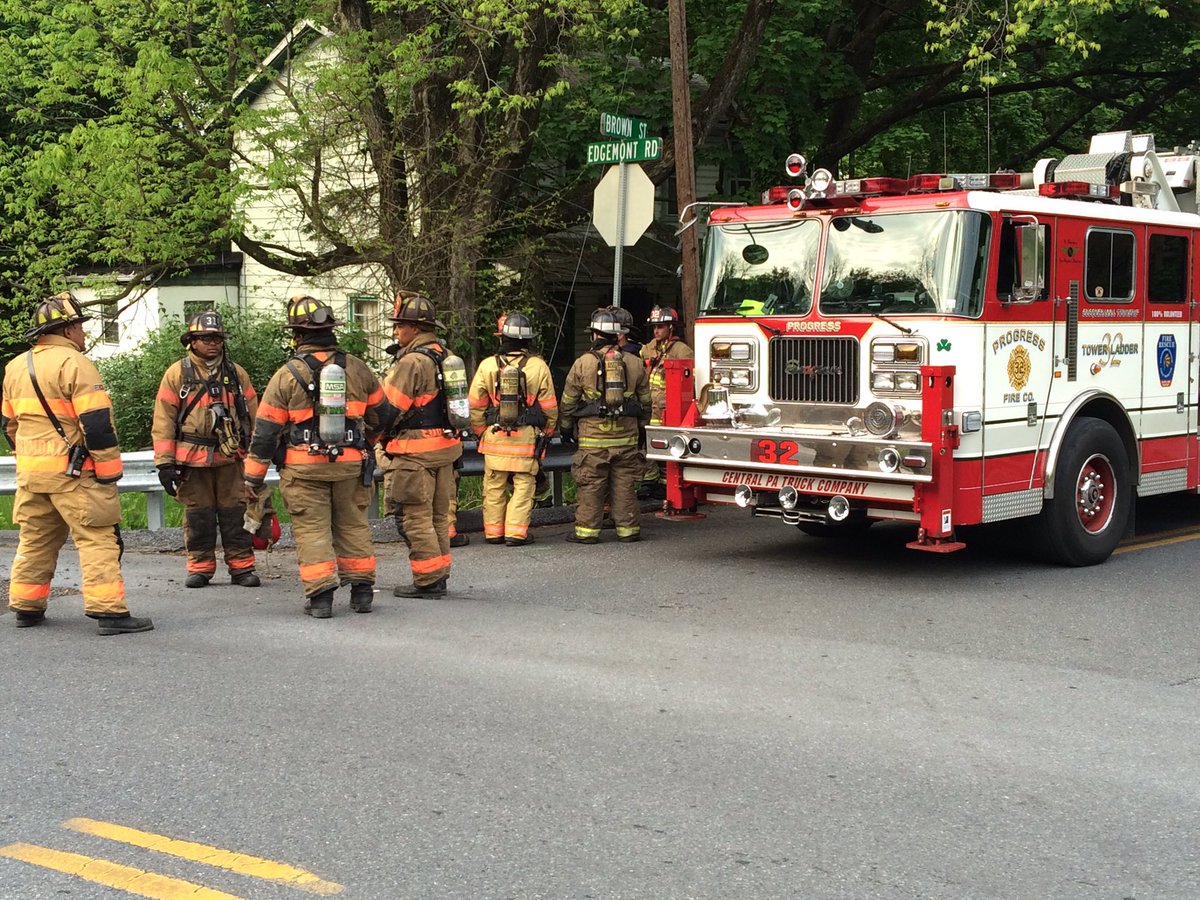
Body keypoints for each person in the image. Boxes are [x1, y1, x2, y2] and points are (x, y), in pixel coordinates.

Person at [2, 292, 153, 634]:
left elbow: (9, 425)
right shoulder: (75, 364)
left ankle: (27, 606)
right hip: (74, 475)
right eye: (81, 327)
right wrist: (109, 471)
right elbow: (97, 424)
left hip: (31, 476)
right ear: (68, 329)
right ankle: (110, 612)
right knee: (97, 539)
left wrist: (30, 457)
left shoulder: (14, 367)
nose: (84, 334)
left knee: (35, 540)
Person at [244, 296, 395, 618]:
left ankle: (322, 597)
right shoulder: (356, 368)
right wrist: (365, 443)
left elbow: (265, 434)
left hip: (303, 468)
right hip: (351, 466)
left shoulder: (285, 375)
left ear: (297, 335)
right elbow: (384, 415)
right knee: (354, 526)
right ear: (331, 331)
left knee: (312, 531)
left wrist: (253, 479)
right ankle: (363, 592)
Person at [151, 310, 260, 588]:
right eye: (204, 338)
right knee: (198, 514)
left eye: (216, 338)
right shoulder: (177, 374)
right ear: (192, 341)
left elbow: (254, 417)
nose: (212, 343)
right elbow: (163, 419)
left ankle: (241, 567)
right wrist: (165, 463)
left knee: (235, 512)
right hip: (192, 458)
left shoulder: (237, 374)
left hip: (230, 457)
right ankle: (200, 566)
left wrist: (257, 455)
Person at [379, 292, 463, 597]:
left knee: (413, 518)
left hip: (414, 454)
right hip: (445, 450)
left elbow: (388, 410)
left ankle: (427, 580)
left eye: (400, 325)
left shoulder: (412, 362)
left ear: (414, 328)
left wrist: (372, 436)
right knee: (439, 517)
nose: (396, 331)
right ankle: (439, 574)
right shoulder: (445, 355)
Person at [559, 307, 651, 544]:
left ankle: (587, 532)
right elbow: (646, 402)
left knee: (591, 484)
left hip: (592, 440)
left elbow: (568, 401)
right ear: (618, 335)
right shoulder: (635, 362)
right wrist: (642, 429)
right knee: (624, 485)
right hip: (627, 437)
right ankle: (628, 530)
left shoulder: (583, 363)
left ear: (594, 335)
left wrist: (566, 428)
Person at [467, 312, 558, 546]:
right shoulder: (538, 366)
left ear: (502, 338)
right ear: (528, 340)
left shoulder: (487, 366)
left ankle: (493, 533)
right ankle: (516, 534)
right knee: (523, 486)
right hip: (527, 440)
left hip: (494, 438)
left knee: (494, 486)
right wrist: (546, 435)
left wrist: (481, 434)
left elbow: (475, 407)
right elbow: (550, 409)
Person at [639, 305, 693, 496]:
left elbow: (687, 384)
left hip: (667, 409)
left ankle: (666, 483)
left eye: (661, 326)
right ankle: (650, 480)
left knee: (668, 445)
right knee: (648, 443)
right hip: (648, 406)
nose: (656, 330)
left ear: (671, 328)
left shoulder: (682, 351)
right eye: (654, 327)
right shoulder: (647, 349)